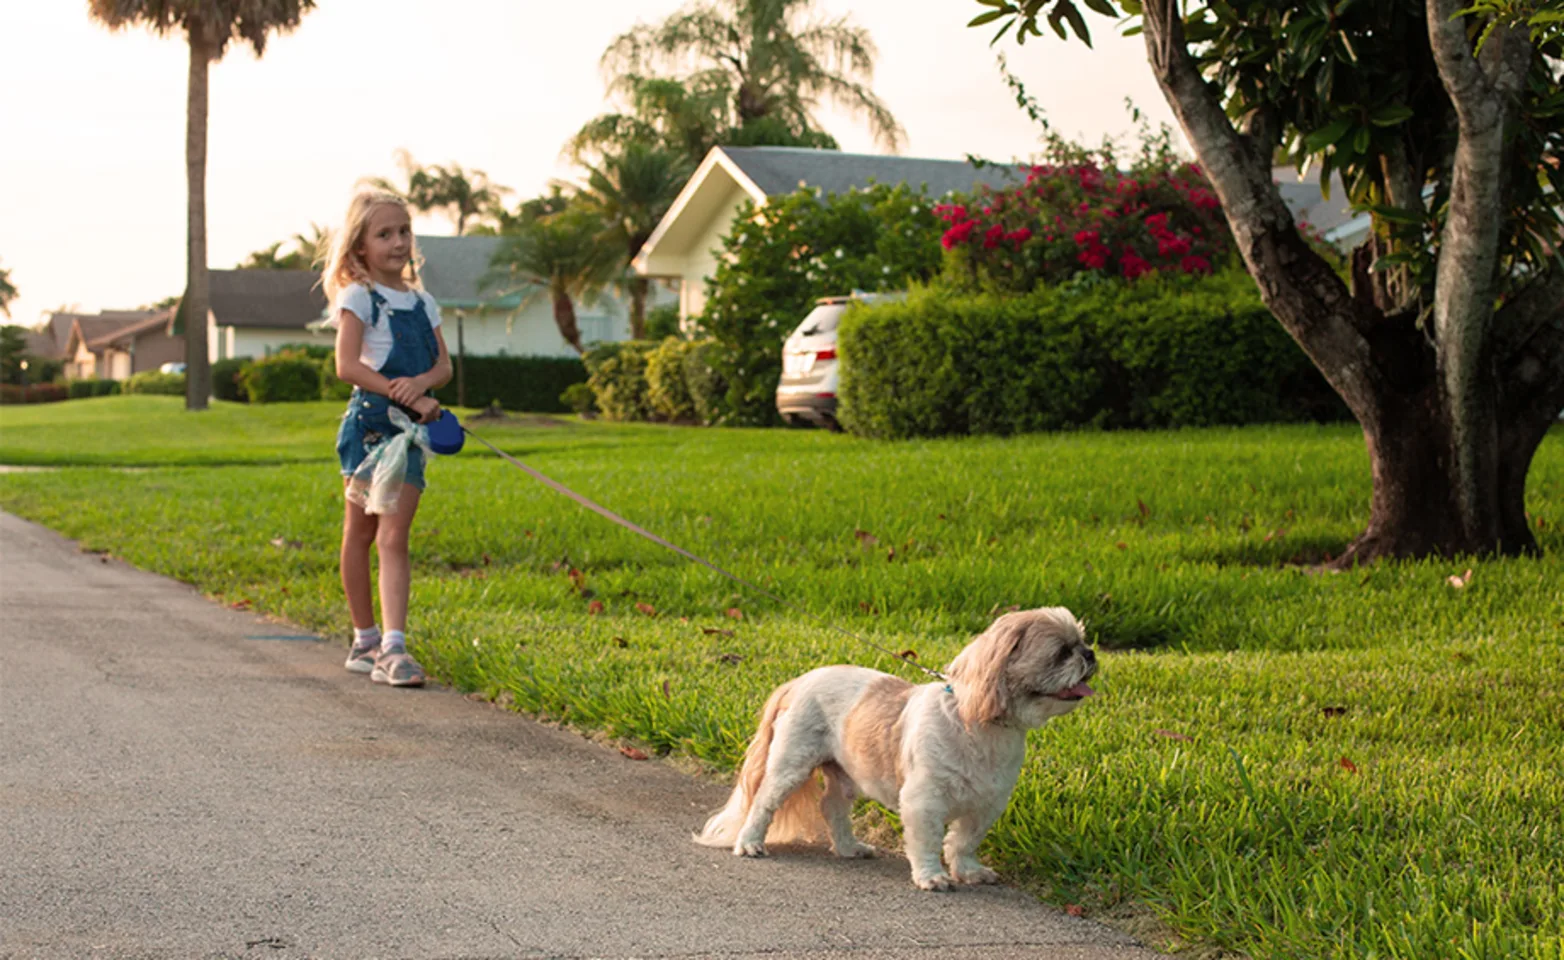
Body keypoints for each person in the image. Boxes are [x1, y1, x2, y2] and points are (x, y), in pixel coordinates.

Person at [322, 189, 452, 687]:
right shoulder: (359, 298)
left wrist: (421, 385)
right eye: (385, 234)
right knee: (360, 533)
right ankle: (365, 638)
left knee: (395, 535)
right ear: (360, 249)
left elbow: (443, 365)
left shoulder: (423, 302)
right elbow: (347, 365)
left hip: (410, 434)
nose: (399, 242)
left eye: (404, 231)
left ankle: (394, 649)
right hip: (369, 427)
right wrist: (397, 390)